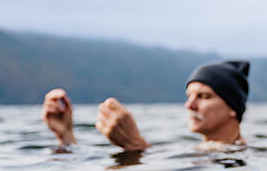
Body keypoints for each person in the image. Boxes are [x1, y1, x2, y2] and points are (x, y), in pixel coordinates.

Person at [41, 60, 250, 150]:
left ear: (233, 107)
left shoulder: (238, 155)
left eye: (203, 96)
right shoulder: (195, 151)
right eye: (189, 96)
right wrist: (65, 135)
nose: (189, 105)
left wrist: (135, 143)